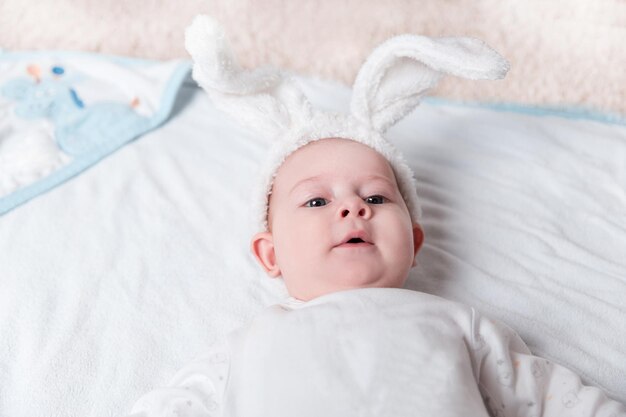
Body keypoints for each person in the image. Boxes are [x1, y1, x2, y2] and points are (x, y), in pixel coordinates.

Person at [127, 15, 626, 417]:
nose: (353, 206)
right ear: (271, 252)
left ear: (414, 240)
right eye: (317, 201)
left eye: (378, 197)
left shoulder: (457, 325)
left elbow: (550, 397)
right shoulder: (244, 347)